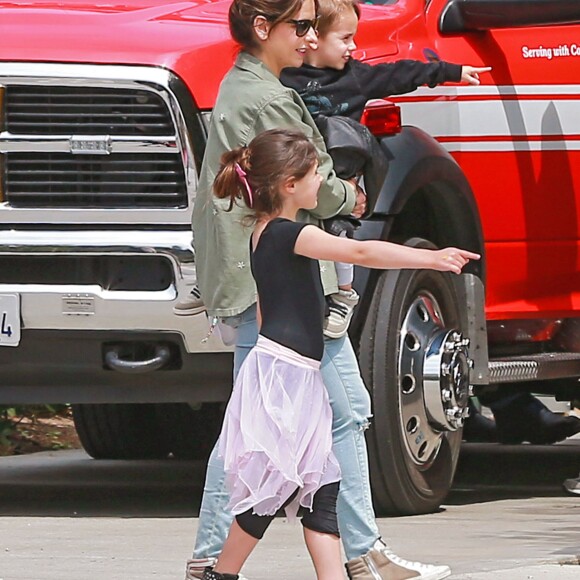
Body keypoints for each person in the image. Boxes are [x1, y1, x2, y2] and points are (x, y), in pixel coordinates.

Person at [188, 1, 455, 579]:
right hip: (268, 296)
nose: (312, 40)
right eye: (300, 27)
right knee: (294, 430)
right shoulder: (262, 99)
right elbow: (311, 189)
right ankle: (237, 561)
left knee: (292, 428)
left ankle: (343, 556)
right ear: (264, 29)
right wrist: (347, 198)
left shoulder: (253, 87)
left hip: (260, 286)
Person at [204, 128, 479, 580]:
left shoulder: (266, 232)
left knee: (322, 491)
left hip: (296, 374)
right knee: (272, 489)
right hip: (285, 376)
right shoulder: (287, 234)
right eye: (315, 174)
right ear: (290, 185)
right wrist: (431, 258)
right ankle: (221, 574)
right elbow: (359, 249)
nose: (322, 183)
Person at [280, 0, 491, 337]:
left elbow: (400, 74)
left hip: (336, 178)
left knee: (340, 234)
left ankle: (342, 295)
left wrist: (451, 72)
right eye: (345, 39)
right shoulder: (283, 78)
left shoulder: (356, 78)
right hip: (291, 178)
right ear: (313, 38)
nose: (354, 47)